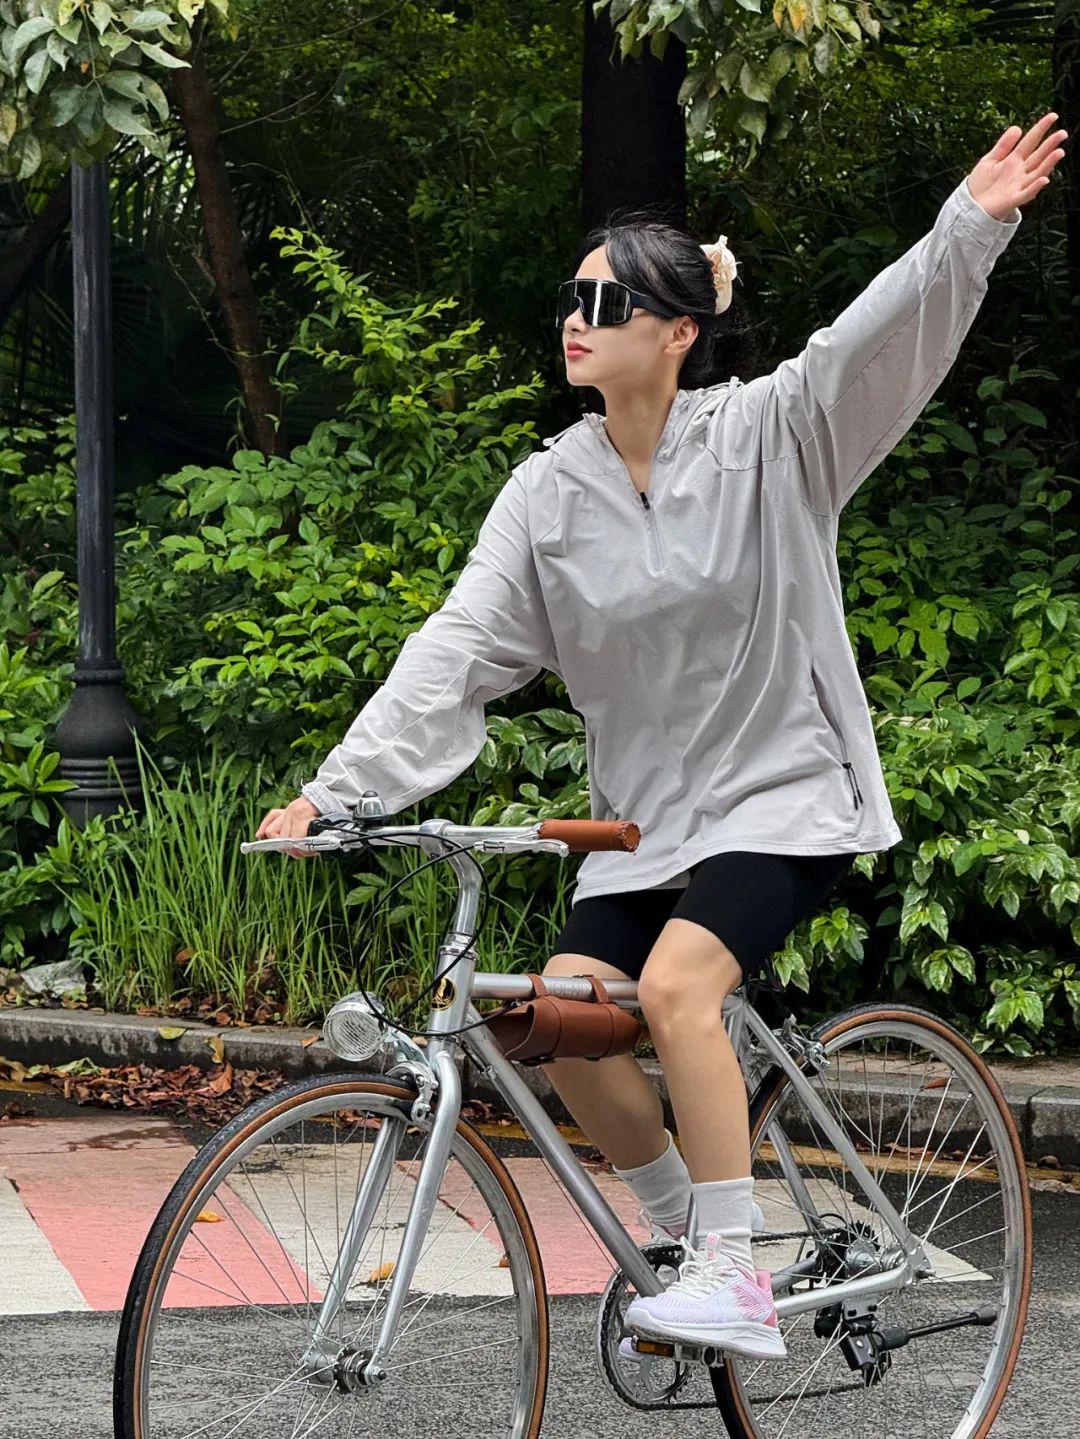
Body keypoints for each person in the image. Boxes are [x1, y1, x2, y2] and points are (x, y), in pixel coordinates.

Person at [256, 114, 1066, 1357]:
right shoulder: (547, 492)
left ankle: (736, 1277)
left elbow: (876, 339)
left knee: (681, 985)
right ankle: (687, 1235)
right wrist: (336, 792)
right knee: (552, 1020)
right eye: (571, 298)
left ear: (680, 330)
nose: (575, 318)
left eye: (607, 299)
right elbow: (458, 643)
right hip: (641, 828)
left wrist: (970, 223)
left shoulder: (774, 432)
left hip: (786, 795)